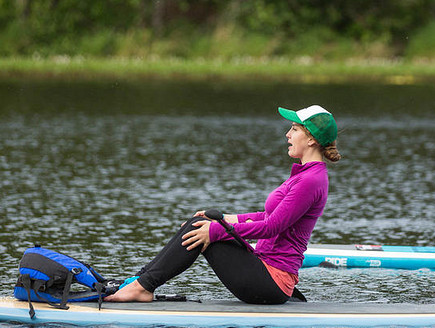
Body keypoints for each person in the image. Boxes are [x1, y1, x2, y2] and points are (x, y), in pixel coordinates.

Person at [105, 105, 341, 304]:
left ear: (311, 138)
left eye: (294, 129)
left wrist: (215, 231)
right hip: (264, 269)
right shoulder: (305, 175)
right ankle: (139, 283)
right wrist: (227, 219)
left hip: (273, 282)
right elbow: (268, 215)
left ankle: (142, 286)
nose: (287, 135)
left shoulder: (310, 180)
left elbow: (272, 227)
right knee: (201, 224)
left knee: (200, 228)